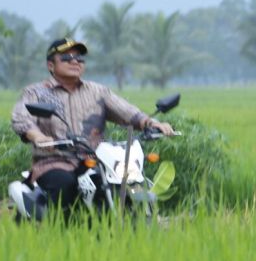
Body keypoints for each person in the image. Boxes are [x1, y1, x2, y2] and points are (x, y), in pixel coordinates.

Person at [11, 38, 174, 221]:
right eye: (66, 58)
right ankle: (57, 228)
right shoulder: (36, 92)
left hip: (97, 160)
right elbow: (21, 118)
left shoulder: (98, 91)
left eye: (79, 58)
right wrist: (38, 136)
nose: (75, 61)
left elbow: (127, 111)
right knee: (64, 184)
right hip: (55, 160)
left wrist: (151, 123)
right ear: (51, 65)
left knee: (126, 182)